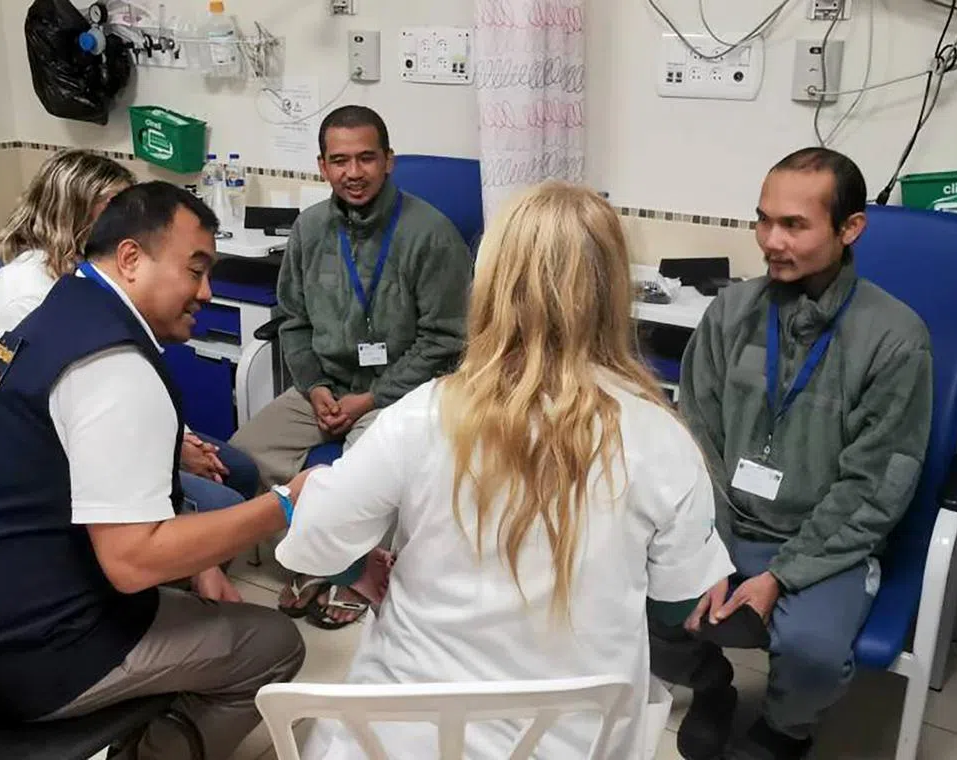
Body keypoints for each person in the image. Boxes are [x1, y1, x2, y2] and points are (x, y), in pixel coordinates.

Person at [271, 181, 734, 759]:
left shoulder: (421, 416)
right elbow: (675, 604)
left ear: (489, 285)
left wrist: (357, 560)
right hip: (575, 741)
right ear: (613, 293)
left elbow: (312, 547)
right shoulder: (661, 440)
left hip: (402, 738)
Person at [0, 182, 313, 760]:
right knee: (271, 645)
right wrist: (283, 505)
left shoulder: (57, 315)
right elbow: (133, 562)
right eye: (195, 270)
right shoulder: (113, 366)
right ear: (131, 258)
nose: (206, 291)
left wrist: (198, 564)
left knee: (196, 585)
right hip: (14, 655)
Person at [657, 148, 933, 760]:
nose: (771, 241)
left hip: (824, 544)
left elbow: (874, 485)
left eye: (794, 225)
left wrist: (780, 577)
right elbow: (695, 438)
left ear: (850, 228)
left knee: (812, 652)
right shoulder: (731, 313)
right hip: (725, 523)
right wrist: (704, 548)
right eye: (763, 220)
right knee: (639, 599)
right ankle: (711, 689)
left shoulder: (895, 339)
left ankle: (783, 730)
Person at [230, 105, 474, 628]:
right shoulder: (310, 228)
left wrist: (370, 399)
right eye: (340, 161)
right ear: (322, 166)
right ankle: (308, 556)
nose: (353, 172)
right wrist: (315, 386)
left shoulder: (431, 234)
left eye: (366, 158)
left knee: (364, 473)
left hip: (401, 391)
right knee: (244, 456)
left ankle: (353, 571)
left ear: (389, 161)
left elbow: (446, 340)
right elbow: (293, 320)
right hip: (325, 387)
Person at [0, 149, 259, 514]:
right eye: (116, 205)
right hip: (44, 457)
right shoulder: (28, 293)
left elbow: (133, 385)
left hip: (91, 429)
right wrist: (175, 451)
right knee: (220, 502)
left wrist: (182, 438)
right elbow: (75, 412)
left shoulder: (87, 275)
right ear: (73, 209)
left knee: (239, 468)